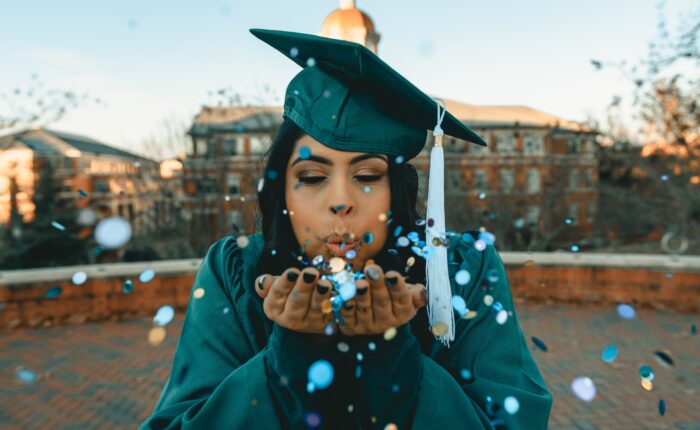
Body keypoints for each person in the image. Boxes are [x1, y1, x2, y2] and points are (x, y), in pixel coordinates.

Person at [140, 29, 552, 430]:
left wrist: (394, 360)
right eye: (313, 177)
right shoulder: (236, 272)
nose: (341, 201)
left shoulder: (459, 269)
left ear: (398, 190)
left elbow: (514, 421)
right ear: (281, 189)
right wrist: (289, 356)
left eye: (369, 175)